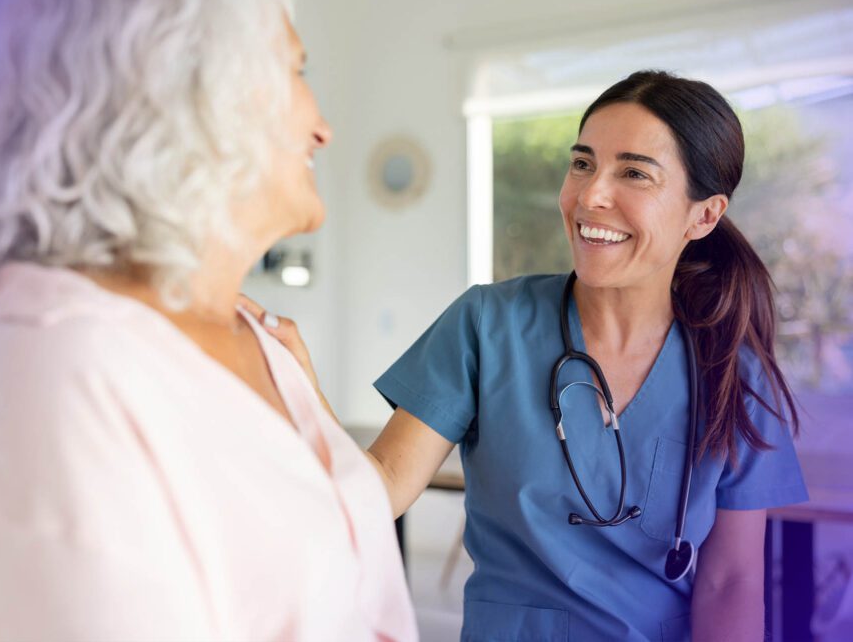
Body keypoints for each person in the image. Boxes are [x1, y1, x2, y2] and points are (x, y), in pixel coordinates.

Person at [261, 71, 809, 641]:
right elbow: (380, 492)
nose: (590, 194)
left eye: (634, 173)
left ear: (705, 215)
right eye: (582, 163)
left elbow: (733, 581)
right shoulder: (486, 325)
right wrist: (301, 392)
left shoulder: (732, 373)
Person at [0, 0, 416, 640]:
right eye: (297, 69)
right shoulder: (55, 375)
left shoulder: (264, 339)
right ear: (190, 91)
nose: (324, 128)